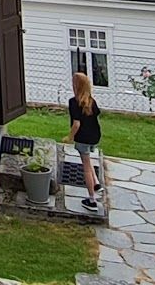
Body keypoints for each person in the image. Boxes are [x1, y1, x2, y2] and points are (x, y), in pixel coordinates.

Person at [66, 71, 103, 211]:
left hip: (82, 137)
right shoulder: (91, 101)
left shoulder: (74, 102)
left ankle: (92, 200)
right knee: (88, 159)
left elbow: (76, 124)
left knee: (86, 166)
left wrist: (69, 137)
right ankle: (97, 183)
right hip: (94, 136)